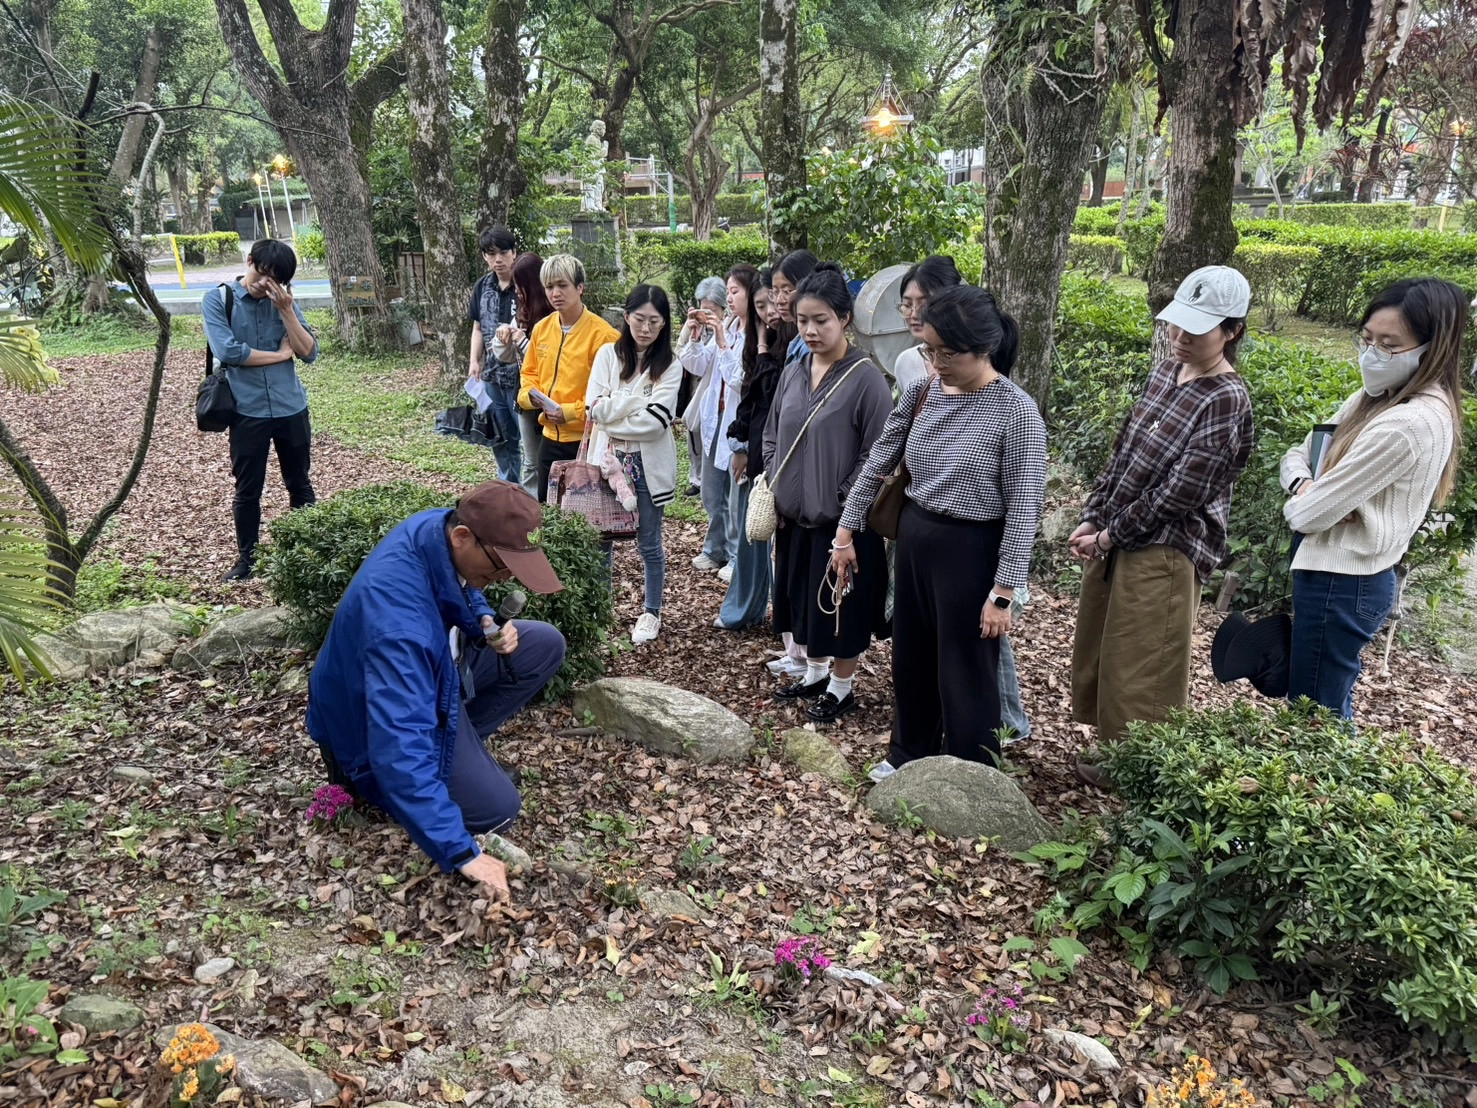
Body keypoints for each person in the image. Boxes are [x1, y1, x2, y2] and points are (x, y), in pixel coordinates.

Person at [307, 480, 567, 901]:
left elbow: (461, 587)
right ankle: (414, 776)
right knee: (499, 811)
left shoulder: (436, 527)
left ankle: (459, 751)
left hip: (432, 679)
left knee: (544, 644)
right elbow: (396, 741)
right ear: (463, 537)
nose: (502, 577)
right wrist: (462, 852)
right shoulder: (398, 626)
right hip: (364, 728)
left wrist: (482, 622)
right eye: (500, 566)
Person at [835, 286, 1047, 776]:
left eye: (949, 353)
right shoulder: (923, 391)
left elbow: (1024, 506)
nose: (936, 362)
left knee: (967, 667)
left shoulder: (1016, 411)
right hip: (915, 537)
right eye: (930, 350)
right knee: (911, 656)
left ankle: (971, 770)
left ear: (985, 349)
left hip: (972, 550)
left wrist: (1003, 593)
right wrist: (846, 530)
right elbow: (879, 461)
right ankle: (909, 753)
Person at [1070, 266, 1255, 787]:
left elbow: (1183, 492)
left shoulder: (1226, 398)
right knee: (1107, 646)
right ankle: (1116, 756)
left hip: (1170, 547)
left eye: (1196, 331)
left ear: (1232, 331)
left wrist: (1109, 532)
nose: (1179, 338)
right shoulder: (1165, 371)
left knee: (1145, 662)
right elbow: (1124, 452)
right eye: (1175, 326)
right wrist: (1093, 514)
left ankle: (1142, 773)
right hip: (1122, 535)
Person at [1281, 277, 1466, 717]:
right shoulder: (1374, 398)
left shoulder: (1409, 422)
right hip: (1341, 575)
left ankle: (1318, 787)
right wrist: (1306, 485)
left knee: (1314, 715)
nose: (1372, 353)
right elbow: (1296, 455)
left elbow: (1306, 516)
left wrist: (1308, 498)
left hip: (1342, 583)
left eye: (1390, 343)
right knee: (1319, 702)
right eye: (1367, 338)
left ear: (1432, 346)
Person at [762, 263, 893, 723]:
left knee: (841, 607)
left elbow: (877, 453)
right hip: (794, 515)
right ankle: (814, 672)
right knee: (801, 599)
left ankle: (842, 685)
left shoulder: (866, 379)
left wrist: (844, 502)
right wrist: (775, 476)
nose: (812, 330)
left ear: (845, 320)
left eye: (822, 320)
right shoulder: (796, 370)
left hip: (841, 521)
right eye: (803, 321)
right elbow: (774, 432)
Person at [201, 239, 318, 582]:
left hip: (290, 407)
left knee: (300, 484)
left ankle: (306, 551)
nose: (264, 284)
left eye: (275, 280)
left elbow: (309, 352)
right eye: (260, 273)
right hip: (247, 410)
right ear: (249, 260)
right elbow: (230, 352)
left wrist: (285, 310)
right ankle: (247, 560)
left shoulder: (282, 302)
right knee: (248, 488)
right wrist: (282, 355)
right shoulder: (218, 300)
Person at [585, 285, 684, 644]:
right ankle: (598, 607)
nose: (645, 328)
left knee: (649, 541)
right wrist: (630, 404)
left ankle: (651, 611)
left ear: (664, 324)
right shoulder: (607, 355)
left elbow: (657, 420)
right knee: (600, 537)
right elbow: (592, 407)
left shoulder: (670, 365)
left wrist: (615, 404)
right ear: (626, 317)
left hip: (648, 464)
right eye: (639, 319)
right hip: (606, 459)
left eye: (654, 321)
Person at [517, 254, 620, 502]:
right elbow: (529, 373)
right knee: (547, 512)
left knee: (586, 515)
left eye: (563, 285)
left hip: (587, 441)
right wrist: (528, 398)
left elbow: (610, 395)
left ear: (580, 287)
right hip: (549, 437)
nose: (555, 293)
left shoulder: (603, 336)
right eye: (550, 287)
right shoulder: (542, 329)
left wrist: (570, 412)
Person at [718, 270, 786, 632]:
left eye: (774, 301)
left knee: (775, 537)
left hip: (783, 450)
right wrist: (740, 444)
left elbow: (771, 388)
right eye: (761, 305)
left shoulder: (792, 340)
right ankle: (747, 607)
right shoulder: (758, 337)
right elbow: (750, 396)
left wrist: (762, 346)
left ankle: (781, 615)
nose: (769, 311)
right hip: (757, 444)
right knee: (753, 530)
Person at [682, 271, 755, 578]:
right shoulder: (726, 327)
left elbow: (739, 380)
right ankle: (715, 550)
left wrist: (722, 342)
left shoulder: (755, 335)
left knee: (738, 500)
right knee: (711, 495)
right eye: (728, 290)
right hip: (714, 424)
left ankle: (738, 558)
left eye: (734, 291)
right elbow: (696, 365)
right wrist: (695, 336)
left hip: (738, 428)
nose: (730, 298)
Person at [493, 253, 556, 498]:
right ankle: (532, 513)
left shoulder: (555, 316)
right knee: (530, 462)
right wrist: (503, 338)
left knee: (553, 461)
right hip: (527, 400)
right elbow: (506, 357)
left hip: (556, 400)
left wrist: (522, 341)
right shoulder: (523, 312)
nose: (517, 292)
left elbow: (549, 363)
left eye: (520, 286)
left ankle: (554, 510)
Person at [467, 226, 522, 483]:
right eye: (491, 254)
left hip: (522, 376)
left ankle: (531, 494)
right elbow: (477, 327)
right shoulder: (482, 286)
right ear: (484, 257)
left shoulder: (525, 286)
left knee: (526, 439)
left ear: (514, 252)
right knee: (500, 436)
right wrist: (473, 362)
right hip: (491, 376)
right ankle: (507, 487)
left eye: (503, 252)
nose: (497, 259)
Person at [678, 276, 732, 518]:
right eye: (703, 307)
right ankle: (695, 478)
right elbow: (688, 359)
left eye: (712, 310)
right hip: (697, 390)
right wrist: (695, 334)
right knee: (695, 437)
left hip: (719, 399)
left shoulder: (730, 329)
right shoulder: (694, 326)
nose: (706, 314)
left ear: (724, 307)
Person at [890, 255, 964, 393]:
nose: (914, 315)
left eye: (924, 305)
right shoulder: (906, 363)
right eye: (907, 305)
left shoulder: (973, 363)